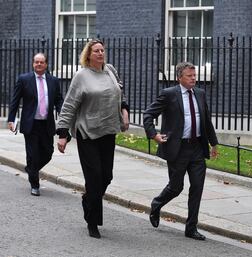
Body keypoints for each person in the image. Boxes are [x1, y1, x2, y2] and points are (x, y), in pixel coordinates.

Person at [56, 39, 130, 238]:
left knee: (107, 176)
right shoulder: (81, 76)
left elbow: (120, 94)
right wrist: (63, 133)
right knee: (95, 177)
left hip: (108, 130)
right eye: (96, 51)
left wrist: (125, 111)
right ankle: (92, 222)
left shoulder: (110, 71)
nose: (100, 53)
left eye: (102, 50)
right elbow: (70, 104)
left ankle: (88, 199)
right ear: (88, 54)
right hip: (87, 132)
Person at [143, 62, 218, 240]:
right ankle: (157, 204)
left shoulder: (200, 93)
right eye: (189, 76)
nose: (193, 78)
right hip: (178, 148)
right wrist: (154, 135)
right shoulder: (169, 94)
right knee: (176, 187)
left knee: (197, 187)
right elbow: (148, 115)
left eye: (194, 75)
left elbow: (206, 120)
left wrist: (213, 143)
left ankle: (191, 227)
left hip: (197, 148)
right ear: (179, 78)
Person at [7, 53, 63, 196]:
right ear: (33, 64)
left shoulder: (53, 81)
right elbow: (15, 100)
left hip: (47, 123)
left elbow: (58, 100)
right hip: (31, 124)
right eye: (36, 62)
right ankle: (35, 185)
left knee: (48, 153)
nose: (39, 64)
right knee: (33, 155)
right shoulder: (24, 79)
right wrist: (11, 119)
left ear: (46, 64)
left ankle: (31, 169)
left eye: (42, 62)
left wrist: (62, 115)